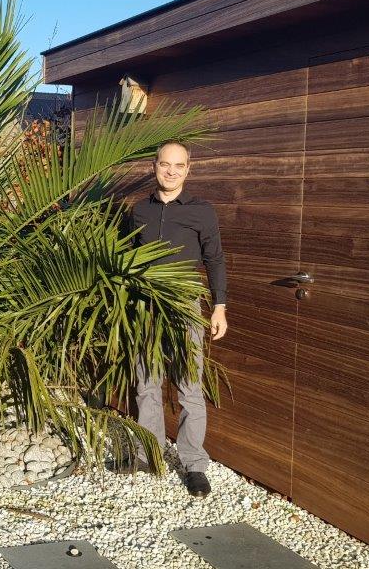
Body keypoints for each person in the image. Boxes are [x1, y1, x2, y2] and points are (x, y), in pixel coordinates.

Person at [126, 139, 228, 498]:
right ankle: (148, 454)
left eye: (178, 165)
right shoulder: (140, 211)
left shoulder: (202, 211)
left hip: (184, 306)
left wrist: (219, 306)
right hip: (146, 308)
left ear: (188, 169)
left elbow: (215, 259)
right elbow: (128, 258)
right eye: (164, 164)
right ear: (154, 166)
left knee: (189, 385)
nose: (171, 171)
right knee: (146, 383)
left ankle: (193, 464)